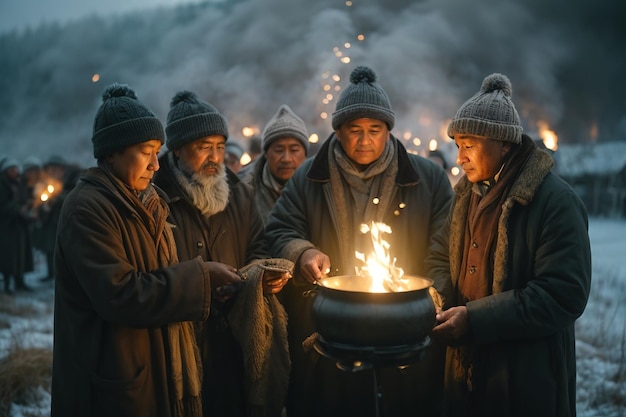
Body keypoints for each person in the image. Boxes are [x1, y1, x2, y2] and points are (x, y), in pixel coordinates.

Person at [265, 65, 454, 417]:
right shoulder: (309, 177)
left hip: (406, 330)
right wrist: (303, 251)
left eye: (374, 130)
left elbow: (444, 248)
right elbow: (278, 231)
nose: (364, 140)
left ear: (388, 131)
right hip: (332, 329)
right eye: (354, 130)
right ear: (338, 131)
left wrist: (429, 298)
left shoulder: (428, 179)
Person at [51, 83, 244, 417]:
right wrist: (201, 277)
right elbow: (122, 294)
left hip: (148, 366)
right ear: (111, 153)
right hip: (111, 377)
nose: (156, 164)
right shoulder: (87, 208)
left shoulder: (148, 201)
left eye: (158, 151)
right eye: (145, 151)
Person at [428, 73, 592, 417]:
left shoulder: (554, 202)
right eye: (457, 145)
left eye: (469, 146)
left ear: (505, 144)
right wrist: (438, 298)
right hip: (465, 372)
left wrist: (474, 319)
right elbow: (439, 255)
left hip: (526, 376)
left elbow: (562, 295)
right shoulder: (465, 196)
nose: (459, 159)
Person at [153, 90, 292, 417]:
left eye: (218, 146)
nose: (215, 157)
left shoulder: (239, 194)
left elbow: (259, 246)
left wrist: (261, 277)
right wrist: (200, 282)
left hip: (233, 334)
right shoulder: (156, 196)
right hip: (179, 335)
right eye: (203, 148)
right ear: (176, 150)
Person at [240, 104, 309, 225]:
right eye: (279, 150)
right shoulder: (243, 191)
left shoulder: (320, 188)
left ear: (305, 154)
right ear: (266, 154)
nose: (286, 159)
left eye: (294, 150)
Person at [0, 158, 35, 293]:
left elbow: (24, 199)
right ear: (6, 171)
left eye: (16, 169)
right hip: (7, 227)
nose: (15, 172)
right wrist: (18, 209)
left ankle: (20, 282)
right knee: (8, 257)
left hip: (20, 225)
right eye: (12, 169)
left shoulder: (20, 183)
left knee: (21, 255)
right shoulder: (2, 185)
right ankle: (7, 285)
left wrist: (29, 206)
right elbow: (3, 205)